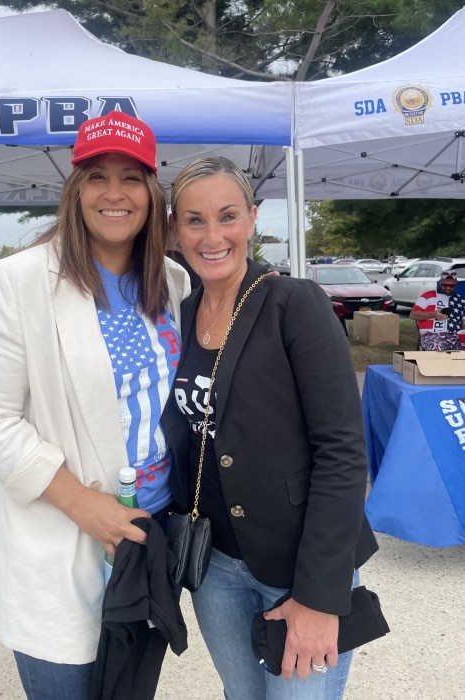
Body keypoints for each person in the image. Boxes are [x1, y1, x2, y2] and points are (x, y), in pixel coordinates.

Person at [0, 111, 190, 699]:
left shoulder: (174, 283)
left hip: (148, 537)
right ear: (74, 189)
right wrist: (85, 505)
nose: (114, 193)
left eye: (132, 177)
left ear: (151, 192)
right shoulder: (20, 281)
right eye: (96, 176)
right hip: (61, 539)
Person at [162, 156, 379, 699]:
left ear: (253, 219)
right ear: (175, 228)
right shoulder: (181, 317)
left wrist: (319, 597)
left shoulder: (294, 304)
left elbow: (343, 453)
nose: (212, 236)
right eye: (194, 220)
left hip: (298, 568)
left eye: (227, 216)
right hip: (216, 569)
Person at [409, 269, 465, 350]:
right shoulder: (428, 296)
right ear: (440, 282)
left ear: (456, 284)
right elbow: (412, 315)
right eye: (445, 285)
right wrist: (433, 314)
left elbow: (464, 324)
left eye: (451, 285)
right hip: (431, 335)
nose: (448, 288)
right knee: (437, 348)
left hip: (455, 336)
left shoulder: (461, 300)